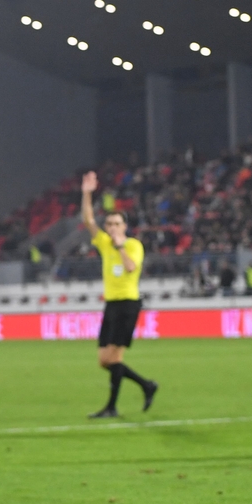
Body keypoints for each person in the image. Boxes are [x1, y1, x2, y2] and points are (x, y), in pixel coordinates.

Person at [80, 171, 157, 418]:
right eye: (109, 224)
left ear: (124, 227)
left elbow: (131, 267)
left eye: (116, 224)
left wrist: (120, 246)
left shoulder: (133, 245)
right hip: (111, 304)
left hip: (128, 304)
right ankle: (146, 385)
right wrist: (86, 193)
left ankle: (112, 407)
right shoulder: (103, 243)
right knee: (104, 359)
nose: (112, 228)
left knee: (115, 357)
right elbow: (88, 220)